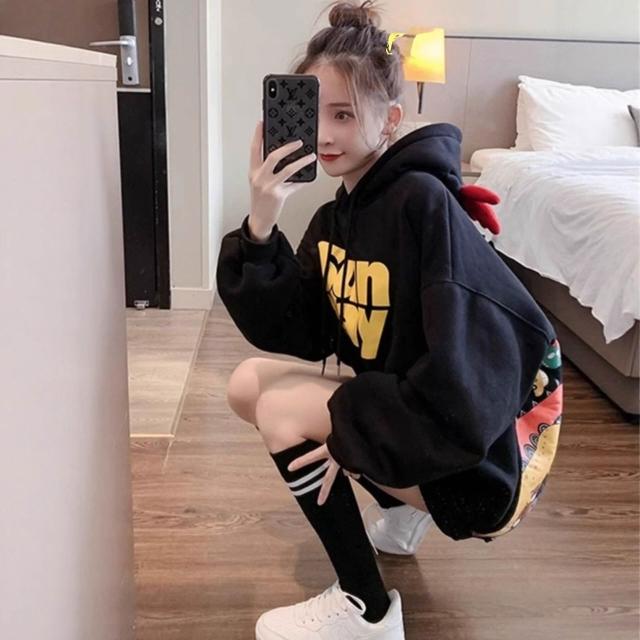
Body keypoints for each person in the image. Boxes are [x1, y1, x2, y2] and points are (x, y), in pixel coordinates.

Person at [216, 1, 564, 638]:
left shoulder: (423, 205)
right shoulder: (337, 218)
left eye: (345, 114)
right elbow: (298, 330)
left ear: (391, 119)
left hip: (481, 466)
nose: (325, 135)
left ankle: (368, 609)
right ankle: (403, 514)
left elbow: (467, 392)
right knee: (247, 385)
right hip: (425, 432)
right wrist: (262, 221)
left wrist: (352, 435)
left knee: (284, 412)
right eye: (314, 113)